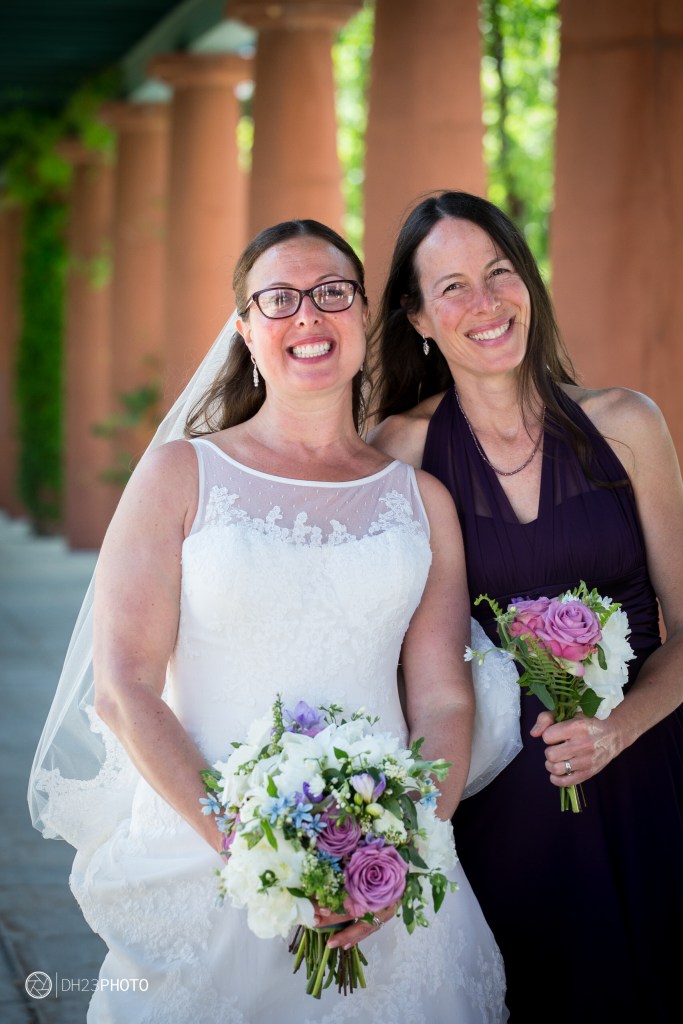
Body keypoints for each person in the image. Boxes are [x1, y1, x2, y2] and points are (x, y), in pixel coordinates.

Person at [28, 218, 511, 1023]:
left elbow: (442, 700)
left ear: (363, 318)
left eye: (331, 294)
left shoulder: (419, 502)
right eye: (278, 299)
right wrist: (263, 855)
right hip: (207, 849)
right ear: (246, 330)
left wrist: (397, 844)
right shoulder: (180, 474)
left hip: (380, 856)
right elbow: (124, 686)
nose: (307, 317)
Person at [368, 189, 683, 1024]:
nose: (486, 304)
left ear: (529, 284)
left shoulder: (626, 424)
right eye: (453, 288)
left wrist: (620, 725)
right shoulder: (398, 449)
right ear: (419, 320)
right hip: (501, 802)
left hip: (650, 774)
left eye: (500, 273)